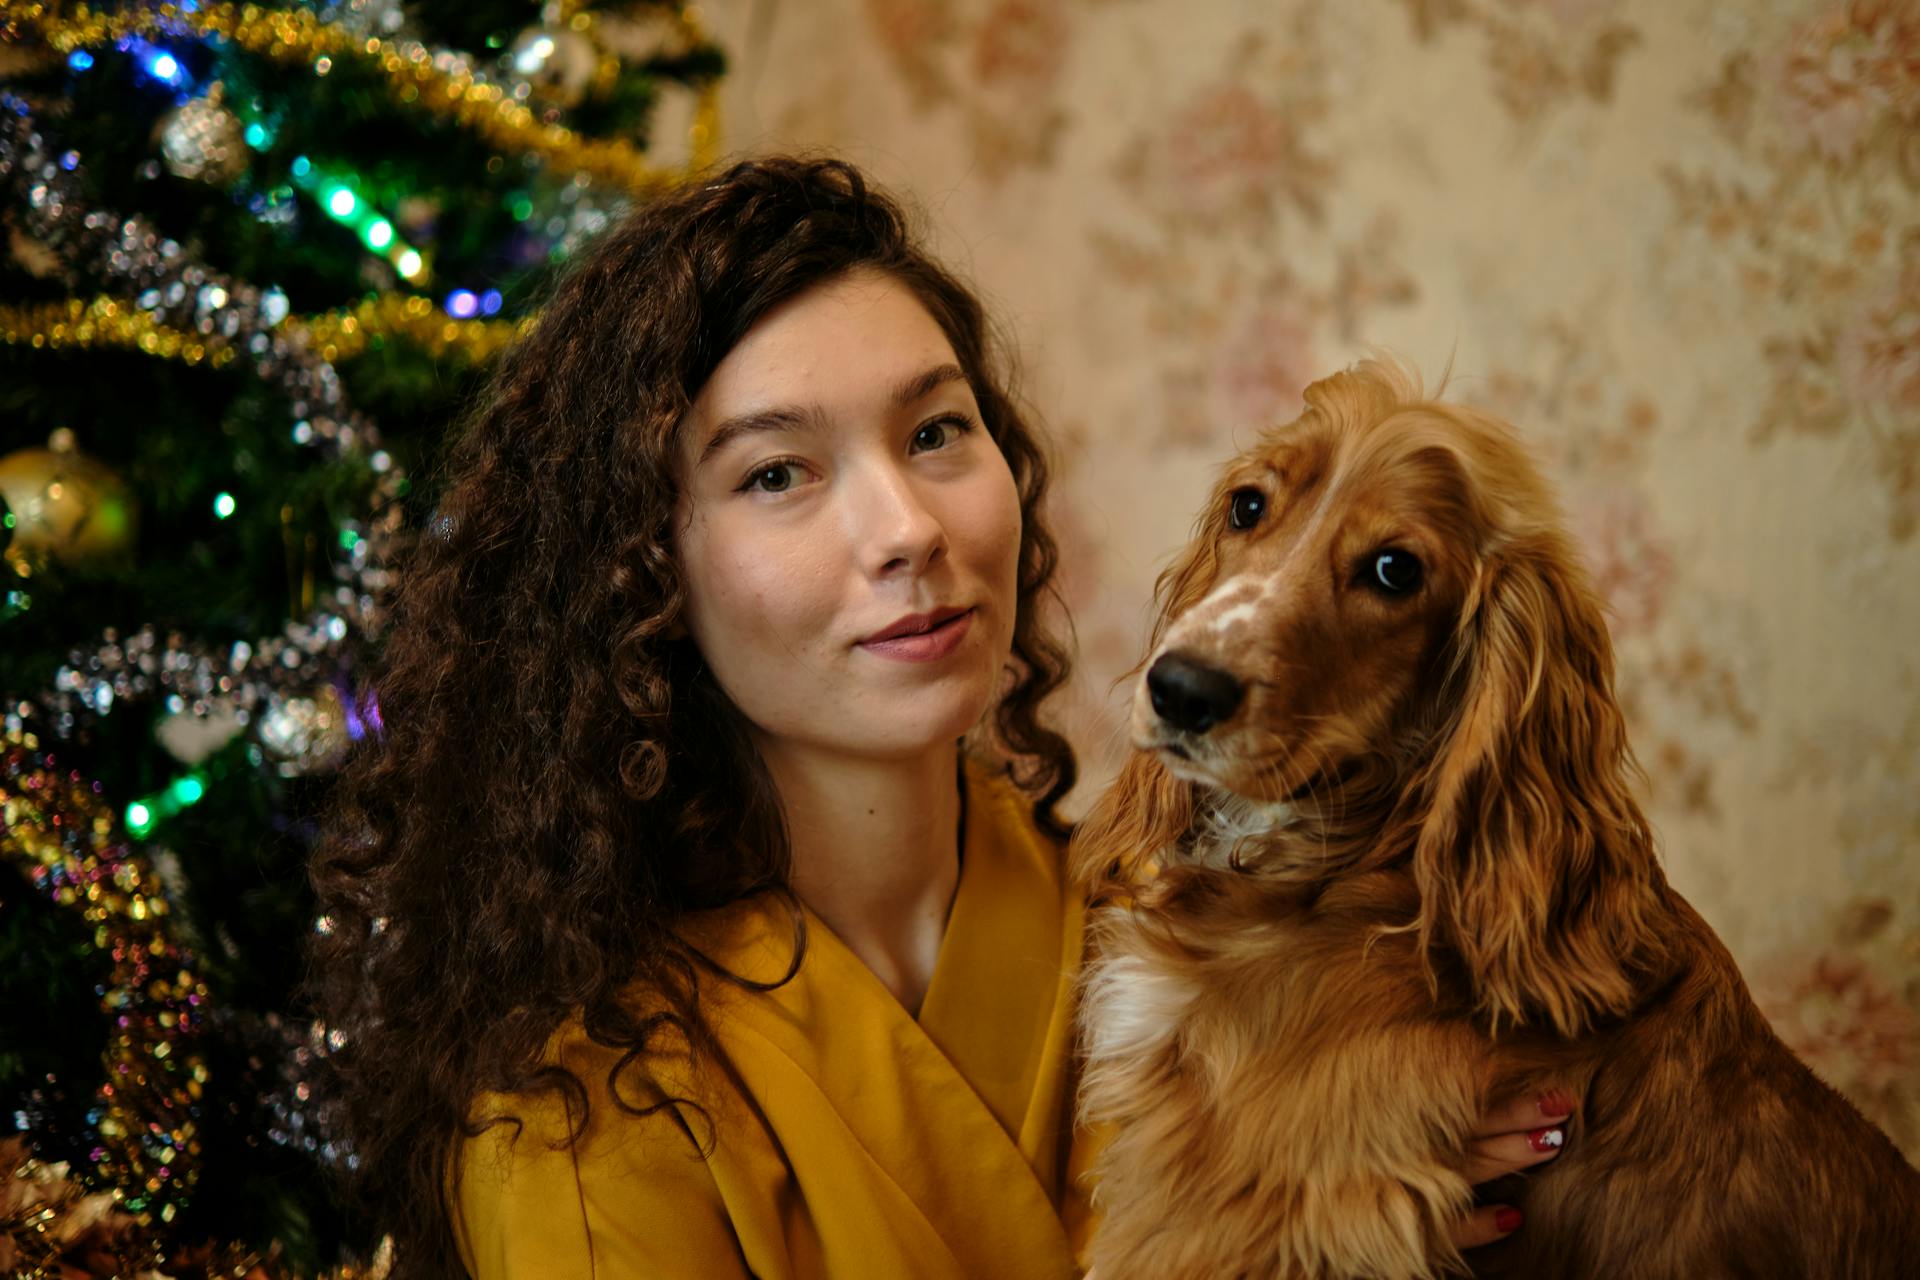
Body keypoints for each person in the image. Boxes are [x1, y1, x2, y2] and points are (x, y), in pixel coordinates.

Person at [307, 156, 1571, 1279]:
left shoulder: (1176, 930)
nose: (909, 528)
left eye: (935, 431)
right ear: (643, 573)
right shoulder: (576, 1117)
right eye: (777, 472)